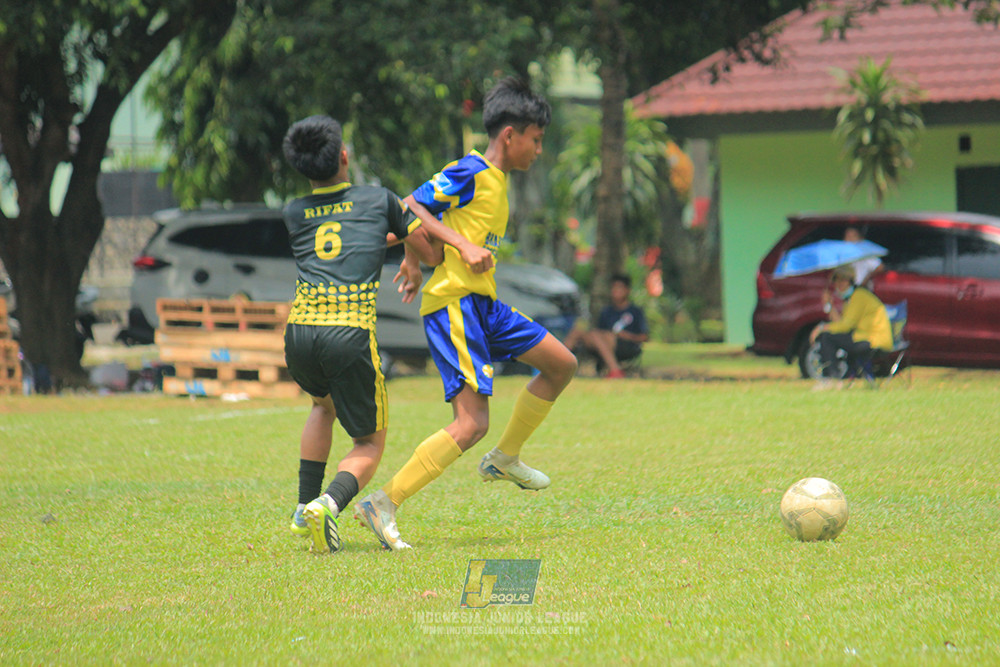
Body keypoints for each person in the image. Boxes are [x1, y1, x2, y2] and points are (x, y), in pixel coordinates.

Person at [352, 77, 578, 551]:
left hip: (484, 304)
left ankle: (505, 457)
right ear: (509, 135)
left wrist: (414, 259)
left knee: (562, 364)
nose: (539, 150)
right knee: (471, 423)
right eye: (536, 140)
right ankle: (383, 503)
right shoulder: (471, 170)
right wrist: (457, 245)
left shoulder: (496, 181)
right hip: (455, 303)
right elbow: (408, 205)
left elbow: (421, 221)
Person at [281, 115, 491, 554]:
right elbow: (430, 253)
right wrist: (450, 242)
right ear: (344, 156)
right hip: (348, 332)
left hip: (300, 332)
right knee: (368, 443)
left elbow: (344, 237)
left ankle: (303, 508)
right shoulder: (379, 200)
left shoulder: (294, 213)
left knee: (322, 407)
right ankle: (328, 504)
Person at [809, 266, 893, 390]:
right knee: (829, 336)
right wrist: (829, 305)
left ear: (851, 281)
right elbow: (840, 323)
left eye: (843, 280)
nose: (839, 284)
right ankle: (835, 377)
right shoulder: (851, 298)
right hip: (864, 337)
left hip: (872, 340)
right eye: (836, 281)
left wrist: (821, 328)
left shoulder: (859, 296)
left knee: (826, 337)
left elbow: (846, 326)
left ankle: (831, 378)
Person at [564, 273, 649, 378]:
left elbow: (644, 337)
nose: (616, 291)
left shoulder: (635, 312)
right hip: (602, 343)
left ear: (627, 290)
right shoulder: (607, 311)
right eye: (614, 287)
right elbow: (600, 332)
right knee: (578, 332)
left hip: (626, 345)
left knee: (602, 336)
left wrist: (625, 335)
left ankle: (615, 370)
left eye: (620, 288)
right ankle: (556, 363)